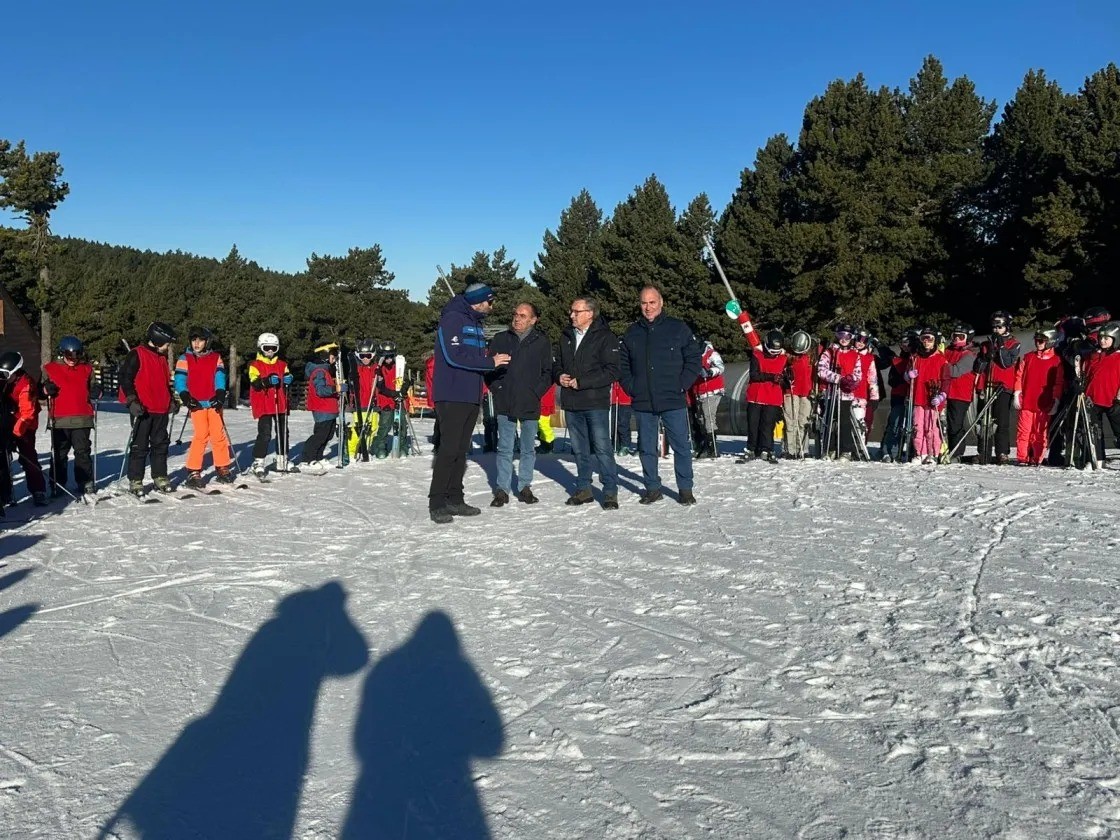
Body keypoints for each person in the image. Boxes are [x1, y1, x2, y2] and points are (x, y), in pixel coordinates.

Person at [428, 282, 510, 524]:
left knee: (461, 450)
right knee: (449, 450)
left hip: (470, 394)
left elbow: (471, 356)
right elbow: (454, 356)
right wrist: (490, 363)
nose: (492, 306)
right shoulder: (453, 318)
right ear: (479, 301)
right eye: (490, 301)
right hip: (452, 394)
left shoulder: (474, 321)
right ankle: (437, 502)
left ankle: (455, 498)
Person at [619, 286, 702, 504]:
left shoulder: (678, 328)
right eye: (644, 303)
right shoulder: (632, 332)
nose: (648, 307)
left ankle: (685, 489)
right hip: (644, 400)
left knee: (681, 447)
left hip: (672, 398)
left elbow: (694, 359)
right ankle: (652, 488)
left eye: (652, 302)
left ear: (661, 302)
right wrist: (631, 386)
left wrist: (682, 384)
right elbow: (623, 364)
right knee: (646, 447)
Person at [554, 295, 621, 508]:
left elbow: (612, 370)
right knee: (579, 449)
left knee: (602, 448)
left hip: (595, 402)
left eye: (577, 311)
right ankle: (584, 488)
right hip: (572, 402)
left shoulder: (606, 337)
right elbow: (555, 363)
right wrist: (559, 376)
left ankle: (610, 491)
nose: (571, 315)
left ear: (590, 313)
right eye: (571, 311)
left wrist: (582, 382)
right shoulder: (565, 336)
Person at [485, 302, 553, 506]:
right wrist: (497, 389)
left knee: (527, 449)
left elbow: (548, 372)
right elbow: (488, 369)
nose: (517, 318)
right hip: (506, 401)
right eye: (515, 314)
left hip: (530, 402)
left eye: (523, 316)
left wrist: (536, 392)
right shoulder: (500, 339)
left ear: (533, 320)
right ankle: (502, 490)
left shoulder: (541, 341)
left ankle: (524, 487)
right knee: (505, 448)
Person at [174, 326, 233, 489]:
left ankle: (222, 467)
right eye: (194, 340)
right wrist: (185, 395)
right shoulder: (184, 358)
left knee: (218, 434)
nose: (196, 343)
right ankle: (193, 470)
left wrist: (220, 393)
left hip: (213, 402)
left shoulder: (215, 357)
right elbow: (179, 379)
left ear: (207, 341)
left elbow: (220, 377)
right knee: (201, 435)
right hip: (197, 403)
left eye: (200, 340)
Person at [41, 335, 101, 496]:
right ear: (62, 353)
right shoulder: (50, 368)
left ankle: (85, 481)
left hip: (82, 417)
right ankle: (57, 483)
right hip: (59, 419)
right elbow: (41, 391)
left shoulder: (87, 369)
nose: (73, 359)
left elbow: (95, 387)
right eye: (69, 356)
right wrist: (46, 389)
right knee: (59, 454)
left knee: (82, 452)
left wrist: (97, 391)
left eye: (77, 355)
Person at [0, 351, 47, 506]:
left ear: (16, 372)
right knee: (3, 458)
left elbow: (27, 414)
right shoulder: (7, 381)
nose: (4, 377)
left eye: (7, 374)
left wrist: (15, 435)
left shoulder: (26, 384)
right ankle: (5, 493)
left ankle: (38, 490)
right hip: (8, 421)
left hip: (25, 426)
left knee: (28, 457)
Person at [974, 312, 1020, 465]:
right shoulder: (986, 345)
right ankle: (983, 452)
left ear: (1006, 326)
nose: (996, 330)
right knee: (983, 421)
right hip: (987, 385)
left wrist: (1000, 346)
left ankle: (1002, 452)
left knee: (1001, 421)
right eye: (994, 327)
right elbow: (978, 368)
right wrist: (984, 359)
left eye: (999, 327)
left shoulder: (1013, 344)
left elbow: (1006, 363)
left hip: (1003, 387)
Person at [247, 332, 295, 477]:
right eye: (267, 347)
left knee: (282, 432)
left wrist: (288, 378)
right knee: (265, 433)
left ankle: (282, 458)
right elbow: (254, 383)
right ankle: (258, 461)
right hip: (264, 404)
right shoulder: (255, 365)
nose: (270, 351)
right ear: (260, 348)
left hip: (280, 403)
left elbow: (287, 375)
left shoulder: (282, 364)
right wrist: (266, 381)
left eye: (273, 348)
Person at [1015, 328, 1065, 466]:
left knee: (1040, 433)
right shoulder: (1028, 357)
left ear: (1050, 342)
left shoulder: (1057, 361)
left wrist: (1056, 400)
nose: (1038, 343)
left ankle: (1037, 458)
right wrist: (1017, 392)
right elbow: (1019, 375)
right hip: (1027, 401)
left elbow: (1058, 383)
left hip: (1044, 403)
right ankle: (1023, 457)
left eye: (1041, 341)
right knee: (1023, 431)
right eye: (1036, 340)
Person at [817, 324, 864, 460]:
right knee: (830, 420)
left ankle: (846, 450)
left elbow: (858, 374)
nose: (843, 339)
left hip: (846, 394)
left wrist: (851, 381)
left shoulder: (855, 354)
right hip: (832, 393)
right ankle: (829, 449)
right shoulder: (830, 352)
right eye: (840, 335)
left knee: (844, 422)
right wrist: (838, 378)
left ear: (851, 337)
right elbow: (821, 370)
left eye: (847, 336)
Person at [739, 329, 786, 463]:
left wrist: (786, 378)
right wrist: (771, 376)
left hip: (772, 396)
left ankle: (767, 448)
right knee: (753, 424)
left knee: (768, 425)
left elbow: (785, 376)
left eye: (776, 352)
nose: (774, 354)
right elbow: (754, 374)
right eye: (772, 351)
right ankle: (751, 448)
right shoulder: (757, 355)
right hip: (756, 395)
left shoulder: (783, 358)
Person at [907, 326, 950, 465]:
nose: (926, 342)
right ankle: (920, 452)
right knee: (917, 426)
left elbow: (946, 380)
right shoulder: (915, 358)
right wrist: (908, 375)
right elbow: (907, 375)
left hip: (933, 398)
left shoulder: (941, 359)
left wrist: (942, 396)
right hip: (918, 397)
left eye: (929, 339)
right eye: (923, 339)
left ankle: (933, 453)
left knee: (931, 427)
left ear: (935, 341)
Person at [302, 343, 343, 474]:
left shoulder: (325, 370)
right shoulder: (319, 371)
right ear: (324, 355)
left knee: (329, 435)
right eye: (333, 355)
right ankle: (308, 458)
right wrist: (335, 388)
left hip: (330, 409)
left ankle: (318, 456)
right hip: (322, 409)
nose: (335, 358)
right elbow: (320, 390)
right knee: (320, 435)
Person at [879, 328, 919, 463]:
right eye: (902, 343)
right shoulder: (898, 360)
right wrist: (904, 377)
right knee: (895, 423)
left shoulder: (917, 358)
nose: (905, 345)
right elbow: (892, 381)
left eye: (908, 342)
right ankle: (889, 451)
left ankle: (914, 451)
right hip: (899, 396)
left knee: (914, 425)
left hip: (915, 396)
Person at [1084, 320, 1120, 463]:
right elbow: (1087, 373)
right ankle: (1098, 459)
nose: (1103, 341)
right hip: (1093, 399)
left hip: (1114, 400)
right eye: (1101, 338)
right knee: (1095, 432)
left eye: (1106, 338)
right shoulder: (1095, 356)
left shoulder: (1118, 357)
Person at [942, 324, 977, 462]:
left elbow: (955, 371)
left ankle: (957, 452)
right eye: (954, 336)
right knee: (943, 423)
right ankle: (944, 449)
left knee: (955, 424)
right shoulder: (948, 350)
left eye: (960, 337)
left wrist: (939, 364)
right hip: (944, 392)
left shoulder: (969, 354)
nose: (956, 339)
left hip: (959, 394)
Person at [689, 339, 725, 459]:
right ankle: (705, 445)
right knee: (701, 419)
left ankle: (712, 447)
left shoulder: (711, 354)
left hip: (712, 391)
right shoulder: (692, 355)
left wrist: (709, 372)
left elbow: (720, 367)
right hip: (699, 391)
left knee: (708, 417)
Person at [782, 329, 815, 459]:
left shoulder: (812, 357)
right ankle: (789, 449)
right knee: (791, 420)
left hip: (807, 392)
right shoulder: (788, 356)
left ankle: (803, 448)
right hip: (791, 391)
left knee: (804, 421)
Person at [370, 341, 405, 459]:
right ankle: (380, 447)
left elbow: (406, 381)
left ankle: (402, 446)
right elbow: (381, 386)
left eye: (391, 356)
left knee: (402, 425)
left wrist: (401, 391)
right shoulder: (379, 368)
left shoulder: (399, 366)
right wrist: (393, 393)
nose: (389, 359)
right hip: (386, 400)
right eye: (386, 357)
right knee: (384, 426)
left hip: (399, 399)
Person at [348, 339, 379, 461]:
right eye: (362, 356)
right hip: (360, 404)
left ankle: (366, 448)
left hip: (373, 404)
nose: (365, 358)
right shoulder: (356, 369)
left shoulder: (376, 368)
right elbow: (352, 385)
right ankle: (352, 450)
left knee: (373, 428)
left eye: (368, 356)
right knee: (358, 428)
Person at [610, 380, 634, 456]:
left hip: (624, 399)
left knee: (623, 424)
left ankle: (625, 445)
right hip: (613, 399)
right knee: (613, 424)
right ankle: (615, 444)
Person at [537, 384, 556, 454]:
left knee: (544, 425)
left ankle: (548, 446)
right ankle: (543, 444)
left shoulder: (547, 375)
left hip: (544, 403)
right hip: (539, 402)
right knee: (538, 425)